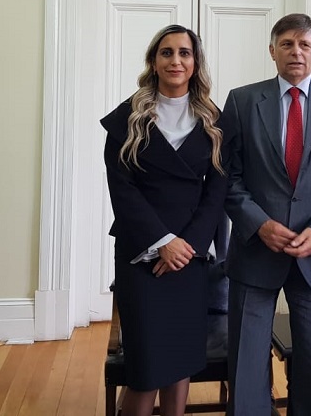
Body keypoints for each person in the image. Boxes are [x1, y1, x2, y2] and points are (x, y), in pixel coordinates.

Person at [221, 13, 311, 416]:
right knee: (247, 362)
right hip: (255, 250)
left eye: (304, 44)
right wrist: (259, 224)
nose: (295, 52)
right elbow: (227, 177)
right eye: (286, 44)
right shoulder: (242, 101)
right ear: (272, 51)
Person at [100, 24, 227, 416]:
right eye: (166, 53)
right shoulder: (126, 119)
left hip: (190, 257)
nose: (176, 61)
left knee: (180, 362)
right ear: (153, 62)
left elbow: (217, 192)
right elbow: (122, 190)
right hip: (142, 256)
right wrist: (162, 242)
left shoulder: (214, 120)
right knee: (146, 370)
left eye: (184, 53)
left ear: (195, 63)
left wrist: (186, 247)